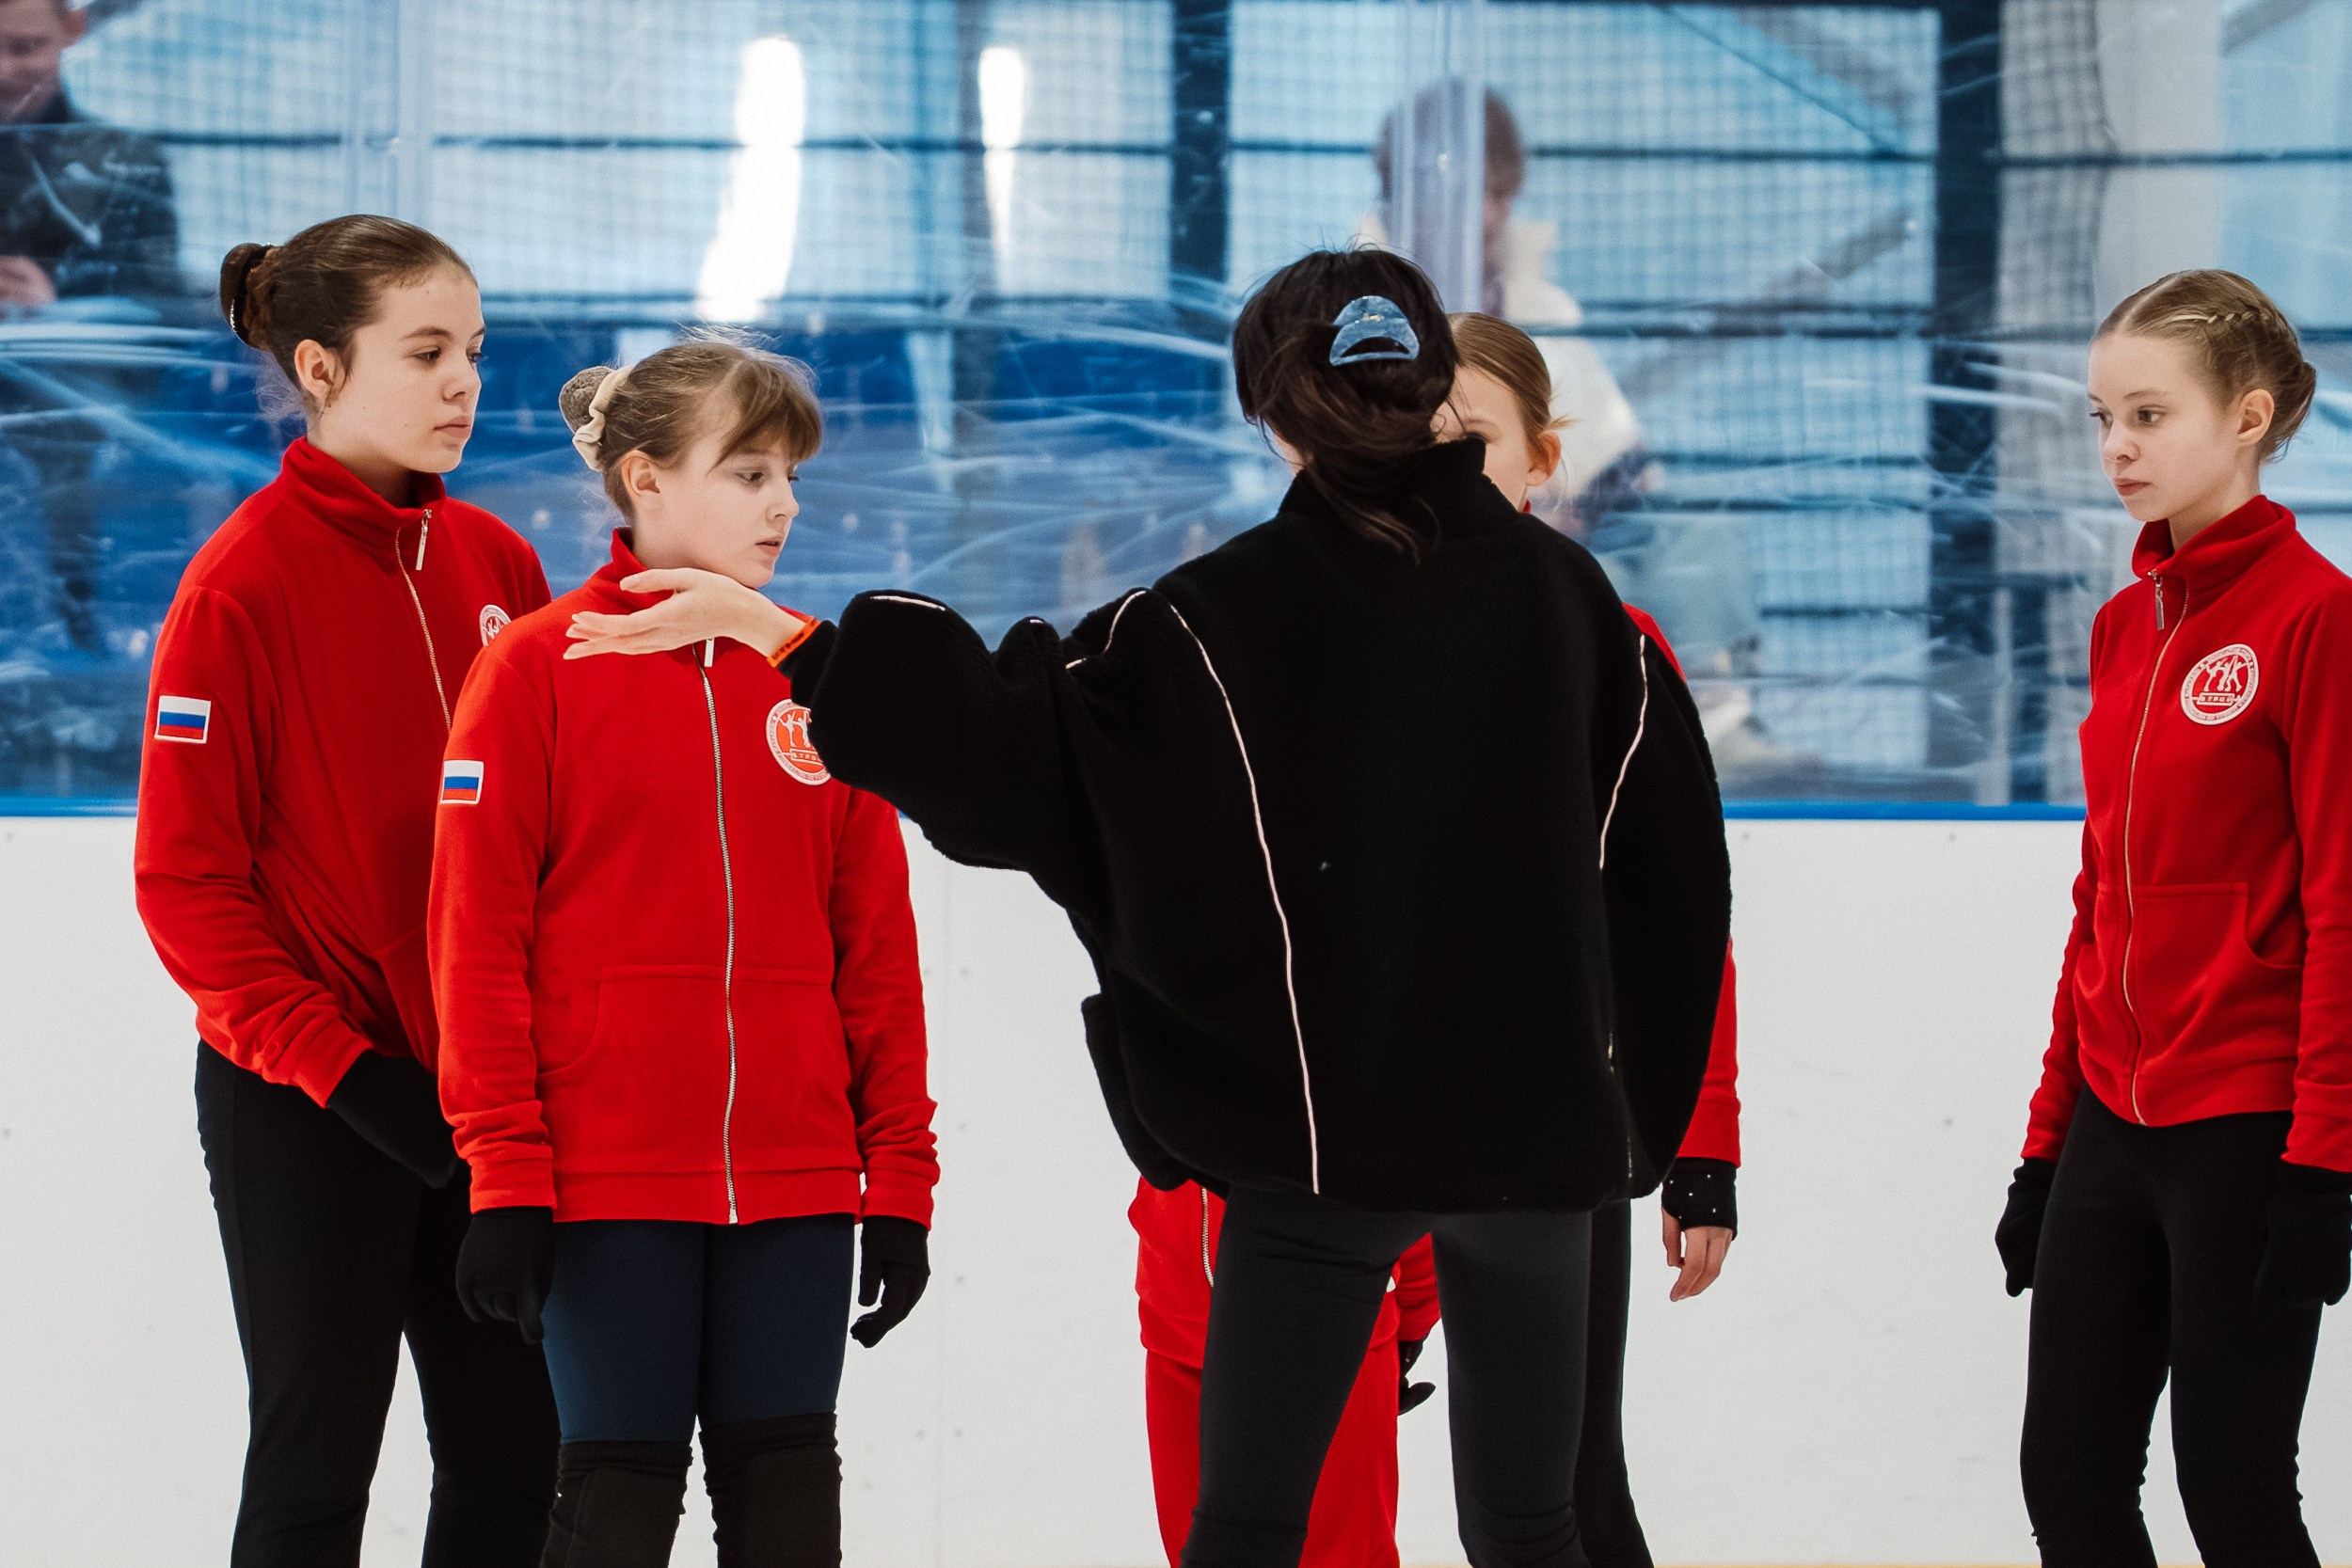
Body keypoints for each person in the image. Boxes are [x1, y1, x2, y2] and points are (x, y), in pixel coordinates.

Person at [563, 248, 1732, 1568]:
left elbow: (1023, 747)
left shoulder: (1220, 616)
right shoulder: (1574, 601)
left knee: (1243, 1528)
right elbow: (1674, 873)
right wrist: (1623, 1119)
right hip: (1538, 1142)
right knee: (1536, 1523)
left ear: (1271, 412)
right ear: (1424, 387)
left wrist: (798, 640)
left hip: (1321, 1145)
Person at [431, 341, 939, 1567]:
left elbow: (875, 951)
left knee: (787, 1510)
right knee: (616, 1500)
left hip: (800, 1179)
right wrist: (505, 1172)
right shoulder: (534, 671)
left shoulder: (815, 680)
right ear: (647, 480)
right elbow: (475, 942)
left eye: (792, 476)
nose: (785, 502)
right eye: (750, 470)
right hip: (608, 1179)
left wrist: (900, 1179)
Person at [133, 216, 557, 1566]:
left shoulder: (499, 567)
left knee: (516, 1447)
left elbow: (553, 836)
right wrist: (351, 1072)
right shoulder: (238, 586)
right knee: (320, 1456)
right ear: (318, 367)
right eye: (425, 351)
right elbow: (187, 890)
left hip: (484, 1093)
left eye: (475, 352)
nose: (462, 385)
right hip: (312, 1101)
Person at [1993, 269, 2352, 1566]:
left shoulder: (2320, 620)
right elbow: (2101, 905)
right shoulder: (2121, 628)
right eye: (2102, 416)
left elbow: (2343, 909)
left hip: (2251, 1127)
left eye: (2151, 413)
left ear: (2249, 415)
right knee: (2070, 1487)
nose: (2118, 446)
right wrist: (2047, 1141)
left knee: (2238, 1492)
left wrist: (2324, 1157)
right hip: (2113, 1118)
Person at [1441, 310, 1742, 1567]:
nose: (1439, 465)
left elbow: (1684, 914)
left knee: (1558, 1485)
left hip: (1547, 1133)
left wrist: (1702, 1140)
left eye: (1472, 440)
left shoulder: (1618, 652)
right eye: (1410, 436)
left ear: (1544, 455)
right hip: (1349, 1135)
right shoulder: (1323, 645)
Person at [1133, 1182, 1439, 1568]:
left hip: (1329, 1333)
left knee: (1339, 1555)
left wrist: (1411, 1322)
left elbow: (1413, 1177)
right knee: (1202, 1550)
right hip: (1182, 1334)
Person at [0, 0, 181, 651]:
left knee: (65, 446)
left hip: (69, 414)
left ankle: (77, 625)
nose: (4, 71)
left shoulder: (122, 161)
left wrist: (60, 301)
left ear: (72, 33)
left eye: (22, 49)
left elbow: (160, 308)